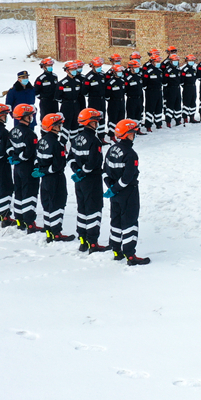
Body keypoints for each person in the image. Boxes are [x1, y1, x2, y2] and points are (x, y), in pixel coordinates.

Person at [105, 118, 150, 265]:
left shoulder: (111, 150)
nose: (134, 135)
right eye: (133, 133)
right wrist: (116, 188)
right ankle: (130, 255)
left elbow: (105, 172)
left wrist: (111, 188)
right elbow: (127, 178)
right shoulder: (131, 154)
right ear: (128, 134)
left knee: (116, 221)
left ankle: (116, 251)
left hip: (114, 193)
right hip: (128, 193)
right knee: (130, 222)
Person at [71, 108, 109, 253]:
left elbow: (71, 159)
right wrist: (84, 172)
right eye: (96, 121)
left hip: (79, 181)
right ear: (90, 123)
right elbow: (94, 162)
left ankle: (83, 241)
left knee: (82, 209)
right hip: (92, 180)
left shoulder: (76, 139)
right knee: (94, 209)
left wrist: (78, 172)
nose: (97, 123)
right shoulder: (94, 140)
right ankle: (93, 243)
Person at [34, 113, 75, 242]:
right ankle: (56, 233)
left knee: (47, 204)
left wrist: (41, 170)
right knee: (57, 203)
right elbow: (59, 165)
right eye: (58, 124)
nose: (60, 126)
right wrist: (48, 170)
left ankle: (48, 231)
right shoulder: (56, 144)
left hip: (44, 180)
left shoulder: (41, 141)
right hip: (55, 179)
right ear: (52, 127)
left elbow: (37, 159)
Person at [7, 103, 42, 233]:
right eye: (30, 115)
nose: (32, 117)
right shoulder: (30, 134)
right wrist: (21, 157)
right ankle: (29, 222)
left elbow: (9, 148)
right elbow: (29, 153)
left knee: (19, 192)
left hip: (17, 168)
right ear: (25, 117)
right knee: (29, 194)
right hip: (28, 168)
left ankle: (19, 220)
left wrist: (14, 157)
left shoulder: (12, 131)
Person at [56, 60, 85, 145]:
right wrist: (66, 102)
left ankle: (74, 143)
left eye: (75, 69)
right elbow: (57, 97)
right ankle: (63, 143)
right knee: (66, 125)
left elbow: (80, 94)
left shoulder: (78, 82)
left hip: (76, 106)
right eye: (72, 70)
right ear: (67, 71)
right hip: (66, 107)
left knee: (75, 125)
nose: (74, 71)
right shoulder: (62, 83)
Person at [84, 57, 108, 139]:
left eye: (100, 66)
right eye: (97, 66)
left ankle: (101, 137)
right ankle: (92, 136)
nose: (99, 68)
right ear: (93, 67)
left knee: (102, 118)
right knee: (93, 118)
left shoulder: (102, 75)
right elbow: (85, 91)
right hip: (94, 101)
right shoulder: (89, 77)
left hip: (102, 100)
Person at [142, 50, 165, 131]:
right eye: (157, 62)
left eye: (159, 62)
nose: (158, 63)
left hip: (159, 91)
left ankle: (158, 124)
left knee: (159, 107)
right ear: (152, 62)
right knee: (150, 108)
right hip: (151, 92)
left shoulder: (159, 71)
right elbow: (144, 83)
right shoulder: (148, 72)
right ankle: (148, 125)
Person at [105, 62, 127, 139]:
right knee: (113, 119)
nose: (120, 73)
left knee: (121, 118)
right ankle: (112, 135)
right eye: (118, 71)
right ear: (114, 72)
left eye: (121, 71)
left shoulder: (122, 81)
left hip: (121, 102)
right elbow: (107, 94)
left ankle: (120, 133)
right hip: (113, 103)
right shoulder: (110, 83)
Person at [161, 50, 182, 127]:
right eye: (174, 61)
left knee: (178, 105)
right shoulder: (168, 71)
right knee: (170, 105)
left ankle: (178, 120)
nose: (176, 62)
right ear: (170, 61)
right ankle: (168, 121)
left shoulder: (178, 70)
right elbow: (164, 81)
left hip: (177, 89)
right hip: (170, 90)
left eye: (177, 61)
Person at [180, 54, 200, 125]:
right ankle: (185, 118)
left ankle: (192, 117)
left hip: (193, 87)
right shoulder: (184, 69)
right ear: (187, 61)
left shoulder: (194, 69)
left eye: (192, 60)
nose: (191, 62)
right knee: (186, 103)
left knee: (193, 102)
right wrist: (185, 86)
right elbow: (181, 81)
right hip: (187, 88)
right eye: (190, 60)